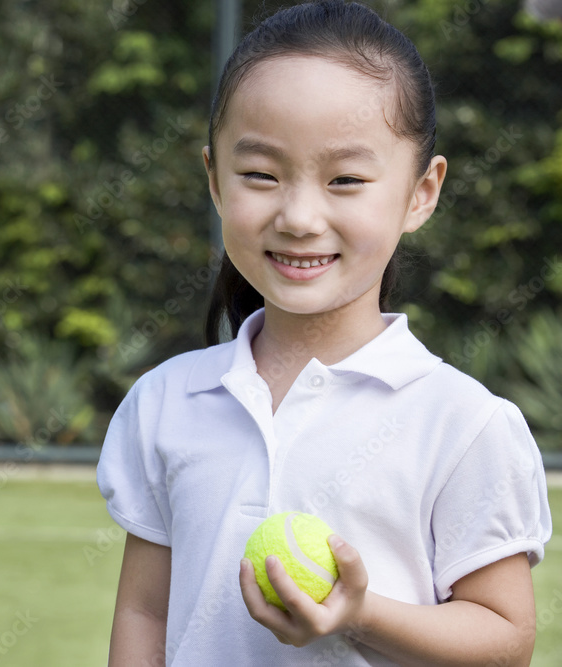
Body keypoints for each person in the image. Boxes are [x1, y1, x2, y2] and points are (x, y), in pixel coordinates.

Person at [96, 1, 553, 665]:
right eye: (260, 174)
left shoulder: (463, 423)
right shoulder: (165, 401)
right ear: (215, 182)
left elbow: (507, 640)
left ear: (421, 193)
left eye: (345, 179)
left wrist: (360, 614)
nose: (300, 216)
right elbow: (145, 611)